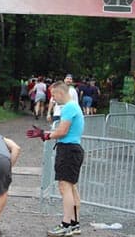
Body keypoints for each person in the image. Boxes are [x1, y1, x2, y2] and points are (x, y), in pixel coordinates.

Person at [32, 81, 85, 237]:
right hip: (73, 149)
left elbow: (62, 131)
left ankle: (66, 224)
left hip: (68, 150)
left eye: (54, 95)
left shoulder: (68, 107)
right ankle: (75, 224)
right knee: (72, 187)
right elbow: (64, 131)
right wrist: (47, 133)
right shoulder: (75, 106)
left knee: (64, 187)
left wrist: (46, 135)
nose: (53, 98)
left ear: (61, 93)